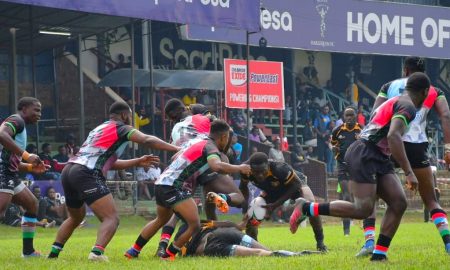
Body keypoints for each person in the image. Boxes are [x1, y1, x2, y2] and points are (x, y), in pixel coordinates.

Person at [289, 72, 431, 261]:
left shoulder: (396, 100)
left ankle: (379, 255)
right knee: (362, 209)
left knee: (398, 202)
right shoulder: (408, 106)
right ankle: (307, 207)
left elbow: (387, 134)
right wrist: (409, 172)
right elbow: (393, 136)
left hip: (378, 155)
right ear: (425, 92)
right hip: (365, 153)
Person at [47, 101, 179, 261]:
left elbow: (109, 163)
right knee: (111, 218)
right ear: (124, 115)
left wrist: (137, 161)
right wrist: (177, 149)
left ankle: (53, 254)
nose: (131, 120)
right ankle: (96, 254)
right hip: (85, 172)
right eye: (130, 116)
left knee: (75, 217)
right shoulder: (121, 128)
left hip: (69, 171)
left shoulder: (99, 129)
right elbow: (146, 140)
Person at [356, 57, 450, 257]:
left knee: (370, 196)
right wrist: (448, 148)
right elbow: (446, 115)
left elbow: (375, 114)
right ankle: (448, 244)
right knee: (431, 200)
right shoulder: (433, 91)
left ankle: (370, 243)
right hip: (416, 147)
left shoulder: (389, 86)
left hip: (388, 146)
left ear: (405, 70)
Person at [124, 120, 251, 260]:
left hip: (161, 182)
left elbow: (175, 157)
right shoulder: (210, 146)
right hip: (174, 186)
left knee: (160, 220)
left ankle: (132, 251)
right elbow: (216, 166)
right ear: (223, 137)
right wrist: (240, 168)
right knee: (194, 224)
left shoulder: (197, 141)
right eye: (227, 139)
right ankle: (168, 256)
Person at [239, 152, 327, 251]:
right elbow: (243, 188)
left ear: (268, 165)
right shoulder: (245, 170)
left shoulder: (280, 168)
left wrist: (276, 204)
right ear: (251, 169)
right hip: (272, 190)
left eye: (263, 171)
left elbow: (296, 184)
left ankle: (320, 242)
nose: (259, 176)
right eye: (256, 172)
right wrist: (245, 209)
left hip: (294, 185)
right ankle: (253, 246)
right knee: (253, 212)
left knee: (311, 206)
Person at [0, 97, 49, 257]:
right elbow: (1, 134)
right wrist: (27, 155)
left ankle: (28, 252)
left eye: (40, 110)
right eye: (36, 110)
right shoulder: (17, 120)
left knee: (32, 204)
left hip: (10, 173)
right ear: (24, 109)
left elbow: (13, 159)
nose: (39, 114)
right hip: (2, 171)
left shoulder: (21, 127)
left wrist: (30, 167)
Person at [181, 220, 311, 257]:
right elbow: (230, 223)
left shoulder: (180, 241)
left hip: (212, 246)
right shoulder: (198, 222)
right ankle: (300, 254)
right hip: (227, 233)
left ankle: (296, 255)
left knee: (263, 254)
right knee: (268, 250)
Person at [330, 107, 362, 236]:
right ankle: (346, 231)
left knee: (358, 197)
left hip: (357, 166)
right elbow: (333, 145)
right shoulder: (337, 131)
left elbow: (367, 146)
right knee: (346, 196)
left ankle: (358, 219)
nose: (349, 118)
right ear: (343, 117)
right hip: (342, 165)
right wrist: (334, 149)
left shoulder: (361, 129)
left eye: (351, 115)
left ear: (355, 116)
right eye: (347, 115)